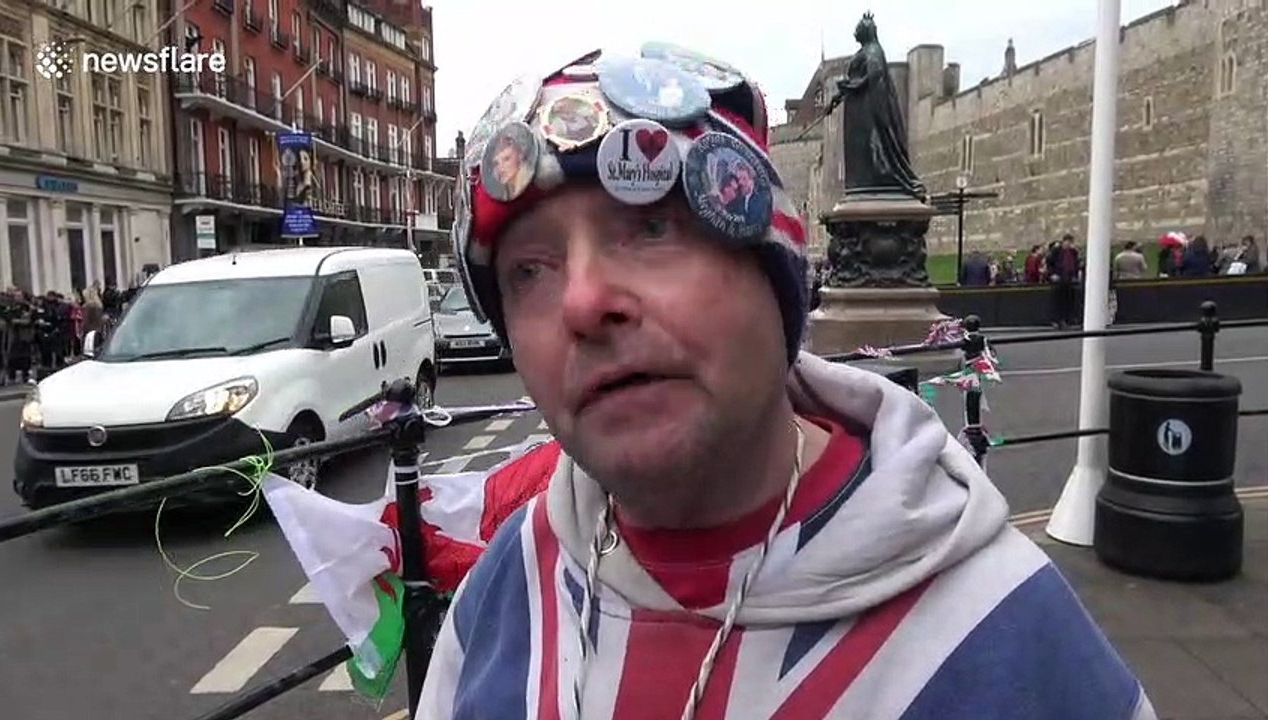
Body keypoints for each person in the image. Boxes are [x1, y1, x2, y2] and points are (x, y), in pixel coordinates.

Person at [417, 44, 1156, 720]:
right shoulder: (504, 589)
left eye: (650, 229)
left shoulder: (1004, 633)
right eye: (528, 272)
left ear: (776, 284)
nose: (581, 302)